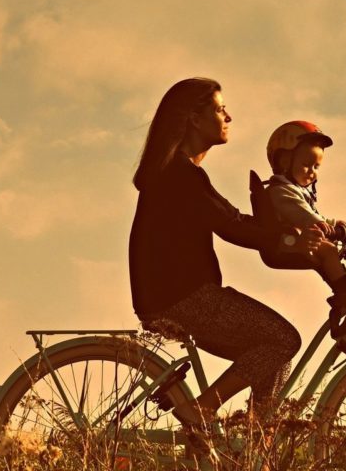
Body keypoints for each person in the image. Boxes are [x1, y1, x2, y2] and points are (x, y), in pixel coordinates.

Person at [128, 78, 322, 428]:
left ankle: (255, 449)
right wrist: (290, 238)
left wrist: (285, 234)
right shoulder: (180, 175)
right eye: (220, 109)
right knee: (283, 340)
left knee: (272, 358)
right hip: (184, 299)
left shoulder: (181, 173)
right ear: (193, 119)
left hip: (175, 295)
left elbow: (233, 219)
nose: (228, 116)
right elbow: (232, 227)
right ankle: (202, 408)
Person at [265, 120, 346, 309]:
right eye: (307, 165)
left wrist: (334, 223)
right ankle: (345, 291)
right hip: (285, 242)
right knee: (328, 250)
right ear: (284, 162)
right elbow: (304, 215)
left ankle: (342, 290)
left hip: (294, 238)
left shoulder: (293, 189)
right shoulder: (281, 191)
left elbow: (311, 214)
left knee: (326, 249)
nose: (313, 173)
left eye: (317, 167)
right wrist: (330, 229)